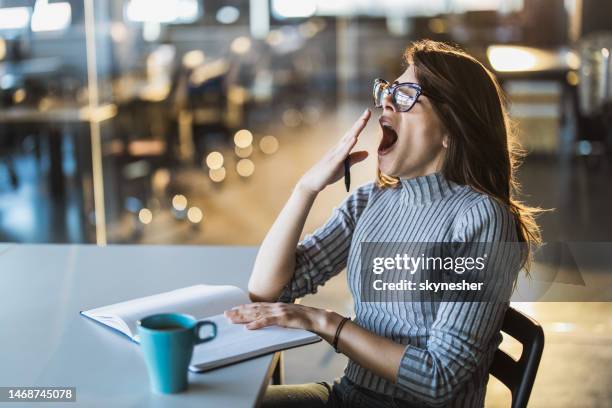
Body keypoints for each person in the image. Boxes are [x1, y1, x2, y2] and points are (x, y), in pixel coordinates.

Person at [224, 39, 542, 407]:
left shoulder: (482, 220)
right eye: (387, 91)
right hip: (349, 397)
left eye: (406, 94)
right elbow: (268, 290)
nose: (386, 102)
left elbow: (438, 380)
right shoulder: (371, 200)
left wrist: (324, 322)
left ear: (451, 131)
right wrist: (306, 187)